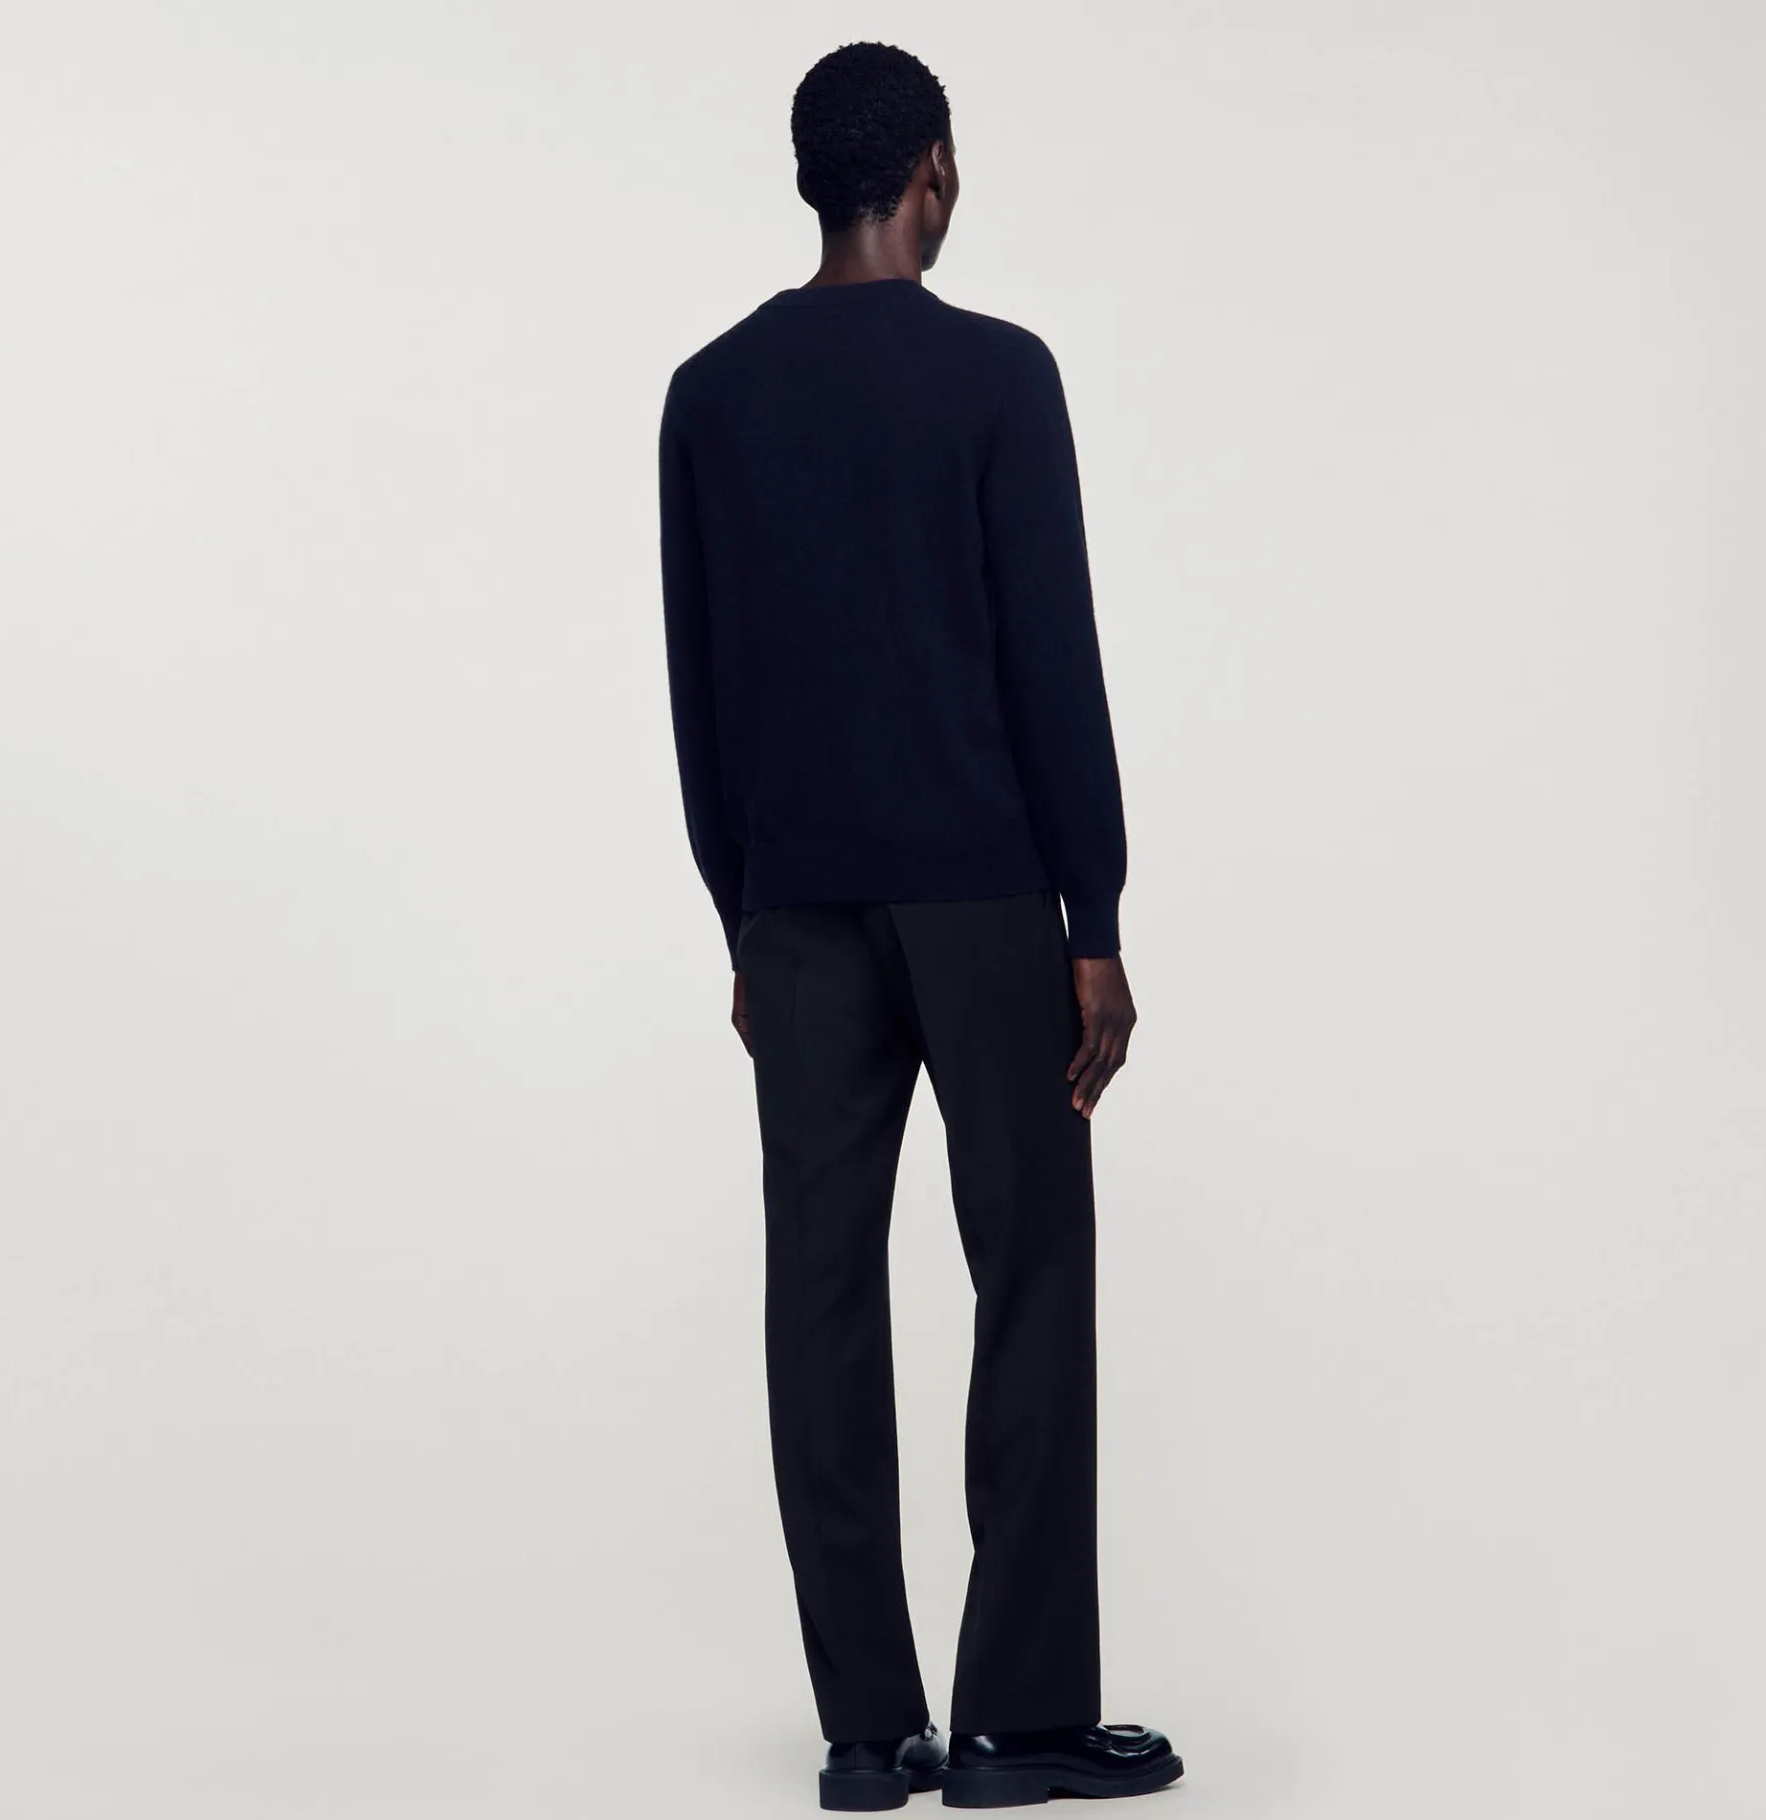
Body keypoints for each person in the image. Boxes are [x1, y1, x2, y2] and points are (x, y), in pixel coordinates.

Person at [657, 40, 1183, 1813]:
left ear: (818, 179)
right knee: (1027, 1270)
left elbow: (699, 686)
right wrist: (1094, 918)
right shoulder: (998, 377)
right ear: (932, 170)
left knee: (818, 1292)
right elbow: (1053, 665)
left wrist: (741, 911)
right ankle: (1020, 1723)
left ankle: (868, 1731)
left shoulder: (709, 396)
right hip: (981, 900)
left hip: (796, 910)